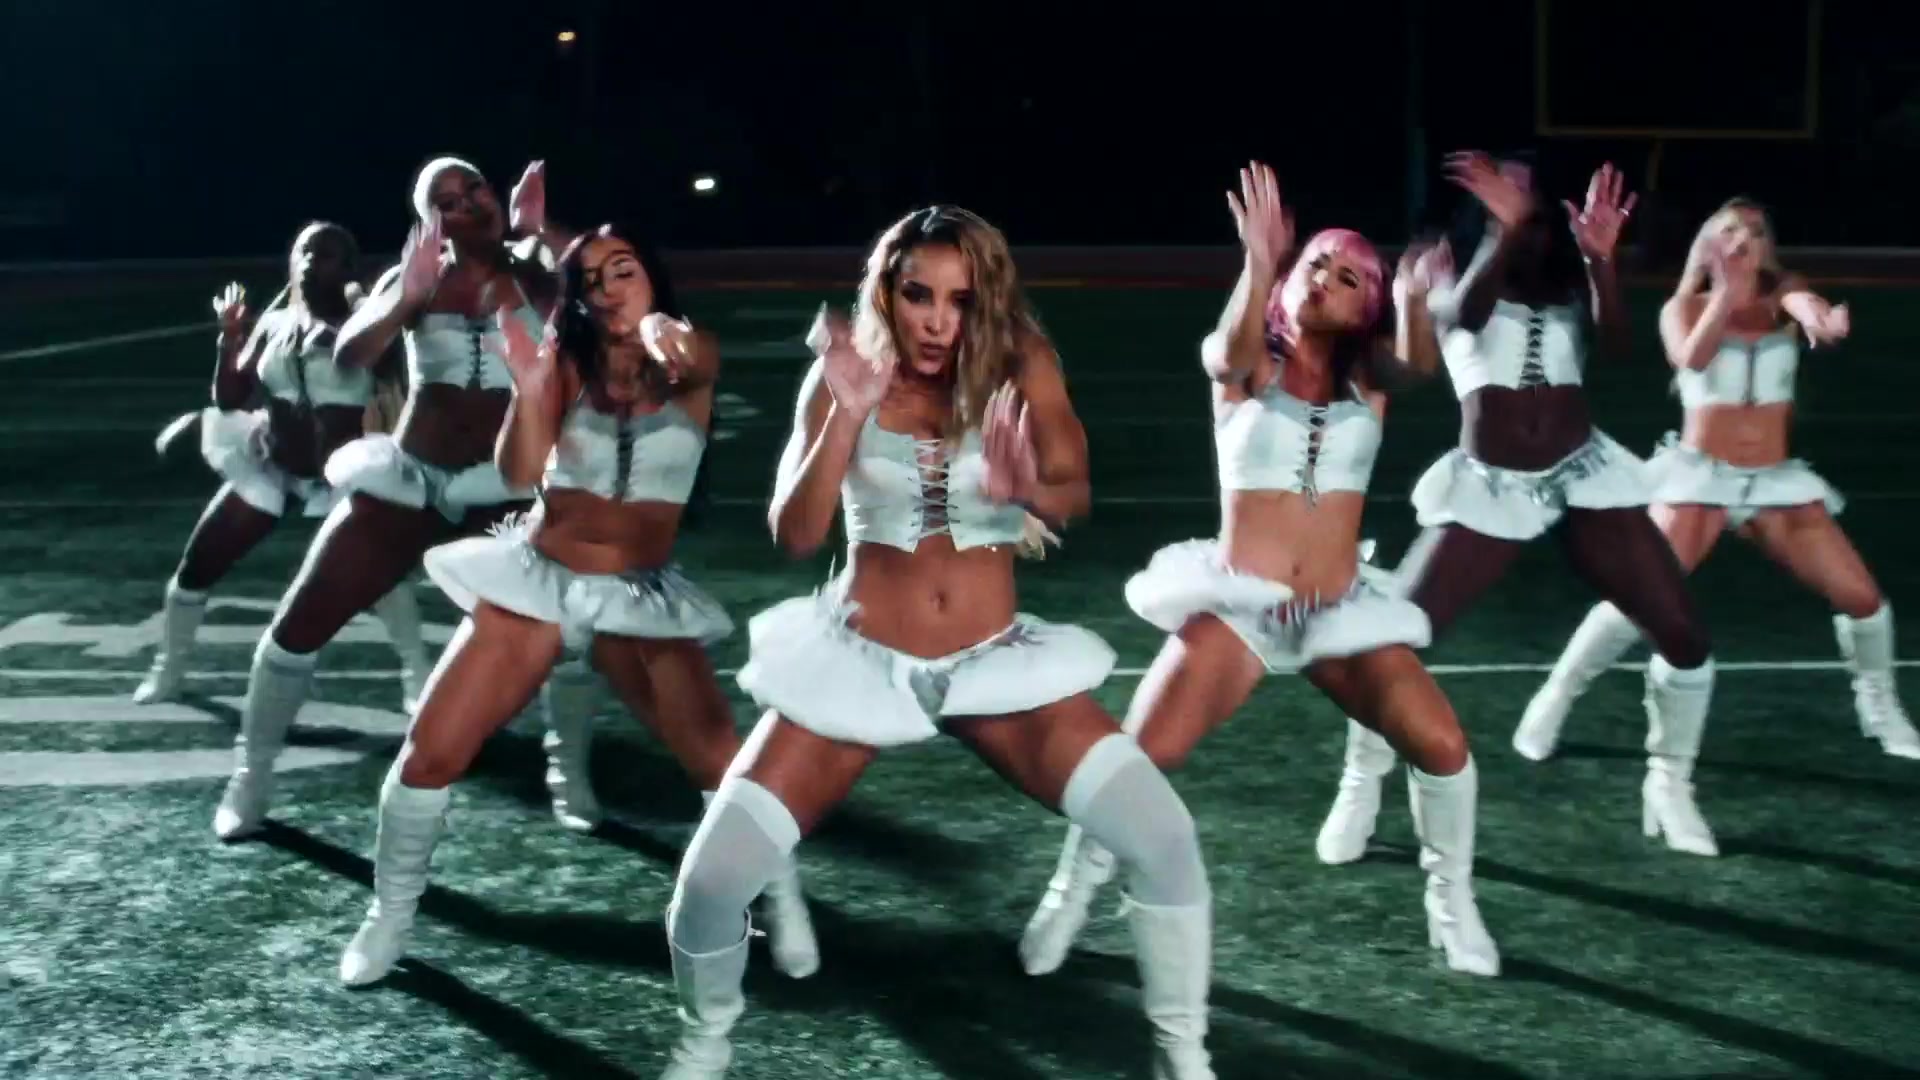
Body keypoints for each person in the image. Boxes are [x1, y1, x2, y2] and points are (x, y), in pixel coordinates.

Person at [656, 206, 1216, 1079]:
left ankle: (1184, 1057)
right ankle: (704, 1043)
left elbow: (1074, 492)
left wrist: (1030, 489)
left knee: (1167, 840)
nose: (936, 321)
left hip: (994, 662)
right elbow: (794, 534)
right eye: (918, 294)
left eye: (961, 300)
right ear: (887, 291)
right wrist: (846, 415)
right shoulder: (844, 374)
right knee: (711, 883)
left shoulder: (1022, 362)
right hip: (862, 662)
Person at [1018, 164, 1498, 978]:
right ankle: (1069, 897)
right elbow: (1225, 353)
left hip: (1338, 612)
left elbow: (1417, 366)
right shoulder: (1251, 363)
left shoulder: (1369, 380)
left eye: (1350, 277)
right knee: (1134, 758)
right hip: (1242, 607)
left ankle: (1451, 905)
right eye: (1316, 262)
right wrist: (1258, 258)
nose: (1327, 277)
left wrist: (1418, 297)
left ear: (1367, 310)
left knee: (1445, 744)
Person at [338, 225, 819, 986]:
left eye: (623, 270)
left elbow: (686, 358)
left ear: (652, 277)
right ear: (579, 299)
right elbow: (518, 469)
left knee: (723, 764)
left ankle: (783, 902)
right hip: (540, 575)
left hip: (638, 592)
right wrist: (530, 390)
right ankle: (389, 916)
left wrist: (658, 334)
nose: (608, 288)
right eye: (591, 279)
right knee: (432, 748)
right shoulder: (565, 363)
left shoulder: (693, 352)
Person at [1314, 154, 1725, 859]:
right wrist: (1502, 234)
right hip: (1491, 481)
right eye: (1504, 191)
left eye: (1527, 191)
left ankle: (1669, 785)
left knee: (1684, 634)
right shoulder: (1448, 267)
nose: (1519, 201)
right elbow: (1463, 318)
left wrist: (1601, 261)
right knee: (1394, 641)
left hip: (1583, 470)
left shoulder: (1562, 274)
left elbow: (1619, 345)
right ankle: (1361, 784)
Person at [212, 157, 578, 841]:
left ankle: (569, 774)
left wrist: (540, 230)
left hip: (505, 486)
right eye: (447, 200)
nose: (468, 203)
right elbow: (352, 354)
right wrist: (405, 295)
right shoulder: (416, 274)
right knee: (300, 620)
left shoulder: (540, 271)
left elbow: (614, 305)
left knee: (564, 631)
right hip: (413, 477)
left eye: (474, 188)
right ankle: (250, 776)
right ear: (430, 219)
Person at [1514, 199, 1920, 761]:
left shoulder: (1783, 295)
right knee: (1638, 597)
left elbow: (1806, 306)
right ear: (1707, 246)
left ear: (1766, 246)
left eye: (1753, 231)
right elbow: (1691, 359)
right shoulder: (1681, 308)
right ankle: (1555, 697)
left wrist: (1821, 322)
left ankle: (1880, 710)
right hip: (1698, 479)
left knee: (1864, 599)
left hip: (1774, 482)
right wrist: (1725, 294)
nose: (1742, 240)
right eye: (1728, 231)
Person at [138, 223, 430, 711]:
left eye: (327, 253)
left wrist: (358, 320)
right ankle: (168, 670)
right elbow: (229, 397)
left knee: (378, 577)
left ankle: (416, 674)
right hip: (272, 463)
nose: (312, 260)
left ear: (348, 268)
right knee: (199, 563)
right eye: (305, 250)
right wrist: (229, 339)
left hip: (342, 475)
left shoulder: (366, 325)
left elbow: (391, 374)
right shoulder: (273, 324)